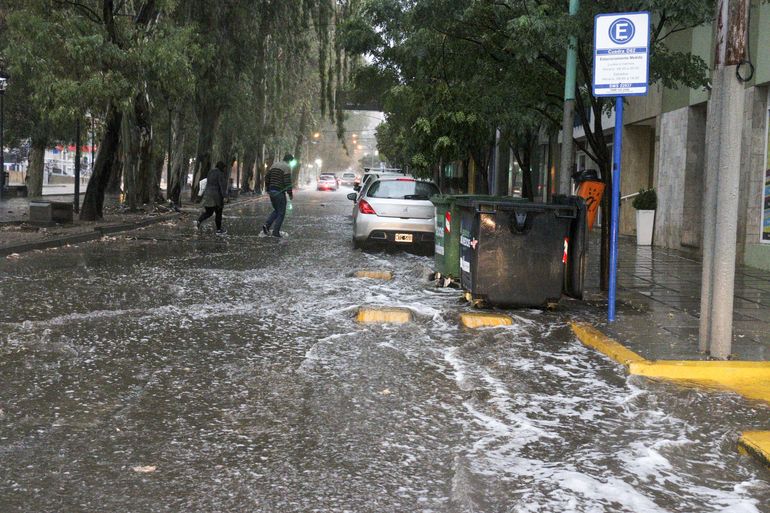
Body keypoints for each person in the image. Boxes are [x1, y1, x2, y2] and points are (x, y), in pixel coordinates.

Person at [262, 153, 294, 237]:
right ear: (289, 160)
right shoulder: (287, 167)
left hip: (272, 191)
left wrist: (267, 188)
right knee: (281, 213)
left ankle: (267, 225)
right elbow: (287, 182)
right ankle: (276, 232)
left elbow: (267, 177)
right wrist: (290, 193)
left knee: (277, 210)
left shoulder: (274, 165)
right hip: (279, 192)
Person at [197, 161, 229, 234]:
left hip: (207, 195)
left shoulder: (210, 172)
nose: (225, 169)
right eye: (224, 168)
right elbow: (221, 186)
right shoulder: (220, 174)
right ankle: (218, 230)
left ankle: (199, 220)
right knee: (218, 213)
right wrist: (225, 196)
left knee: (209, 212)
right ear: (222, 167)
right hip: (216, 197)